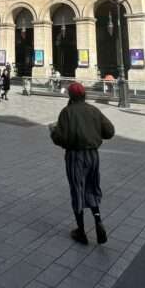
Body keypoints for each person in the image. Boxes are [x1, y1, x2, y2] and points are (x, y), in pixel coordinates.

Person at [49, 82, 115, 244]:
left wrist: (53, 132)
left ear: (70, 96)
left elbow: (61, 138)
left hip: (75, 156)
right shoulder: (93, 110)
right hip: (93, 156)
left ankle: (81, 230)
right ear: (84, 95)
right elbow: (110, 131)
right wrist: (94, 132)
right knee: (92, 187)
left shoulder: (67, 112)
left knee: (77, 189)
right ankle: (98, 221)